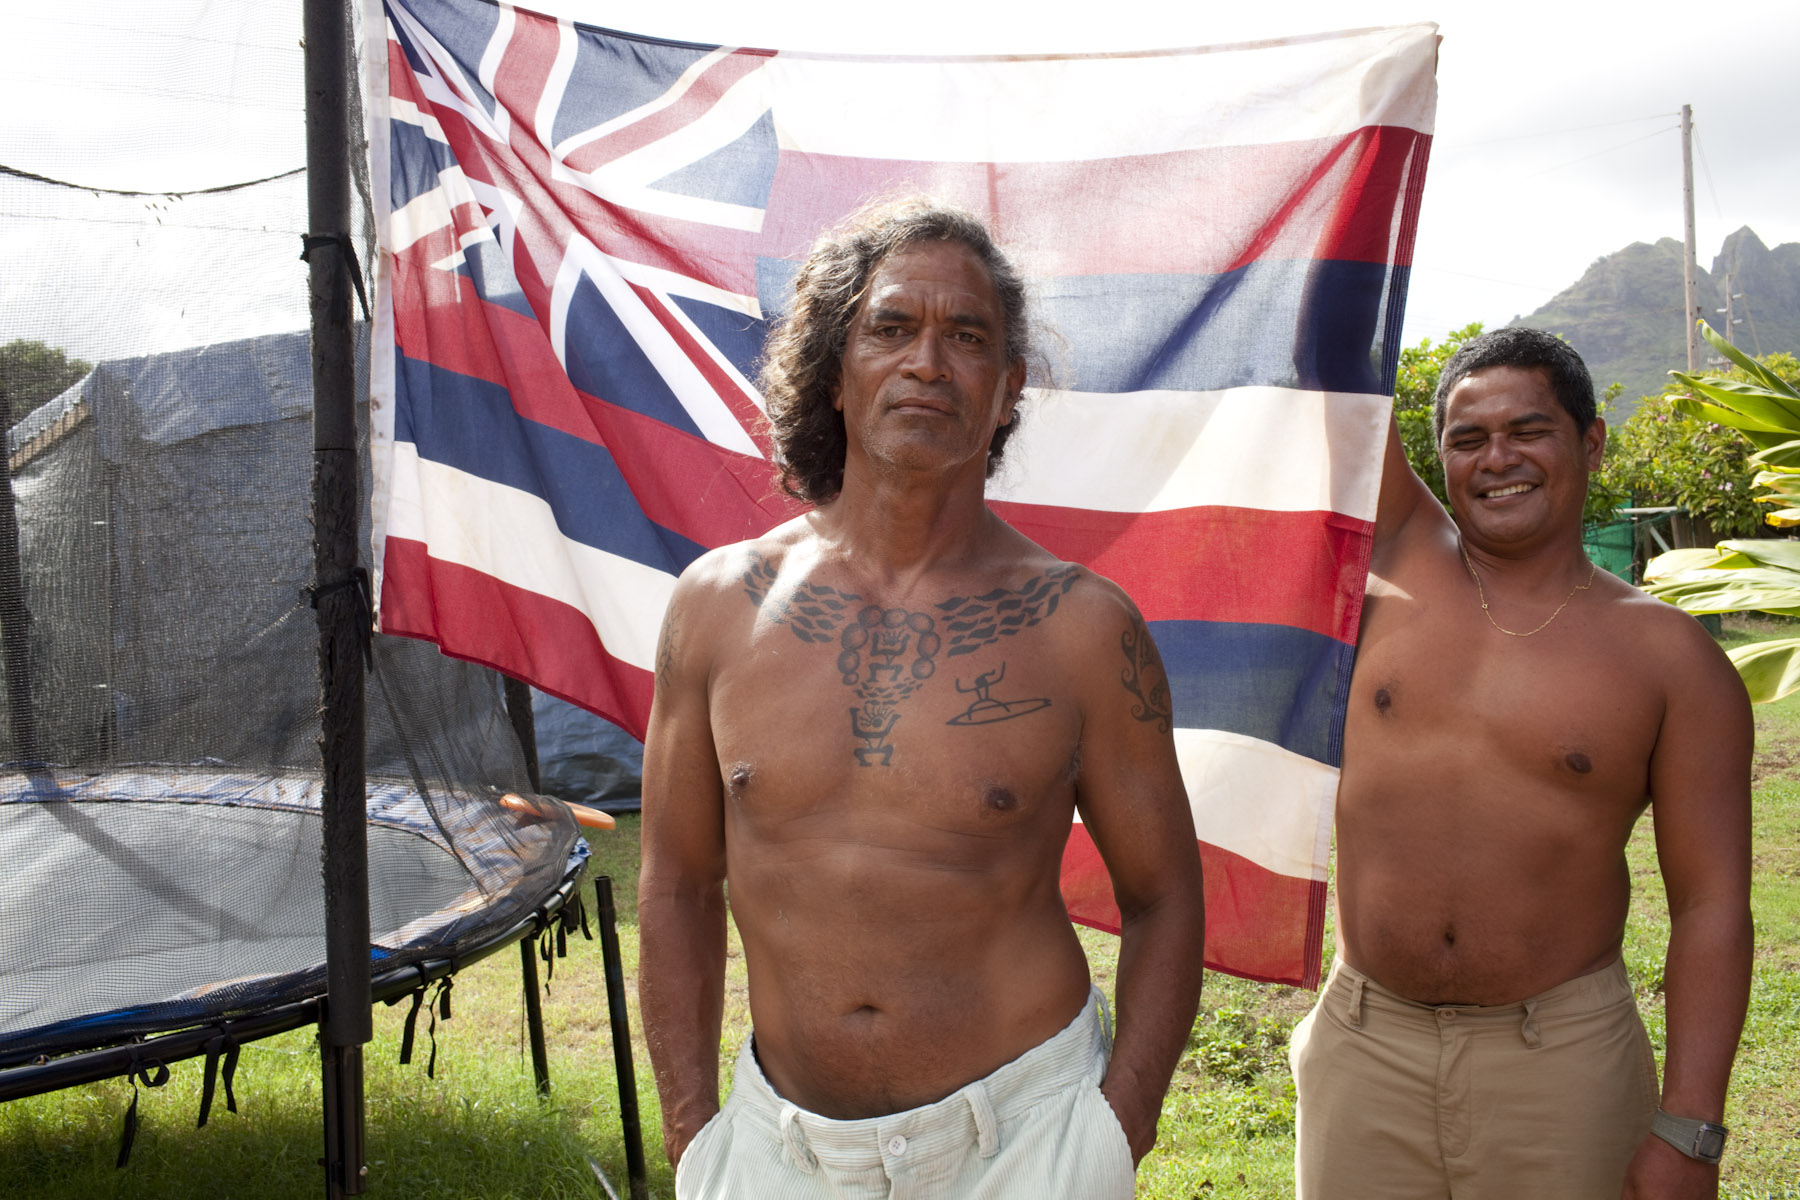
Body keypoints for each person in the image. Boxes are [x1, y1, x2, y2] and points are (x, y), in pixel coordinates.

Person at [638, 197, 1206, 1199]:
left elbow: (1164, 895)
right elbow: (677, 885)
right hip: (779, 1156)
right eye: (892, 328)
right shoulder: (719, 607)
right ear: (837, 373)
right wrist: (696, 1135)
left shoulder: (1082, 627)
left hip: (1026, 1147)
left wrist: (1115, 1132)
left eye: (968, 337)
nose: (929, 362)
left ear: (1005, 387)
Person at [1291, 327, 1754, 1199]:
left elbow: (1712, 904)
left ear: (1590, 440)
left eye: (1528, 430)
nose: (1496, 458)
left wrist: (1691, 1129)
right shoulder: (1394, 552)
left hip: (1563, 1065)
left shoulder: (1671, 661)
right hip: (1365, 1045)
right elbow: (1330, 357)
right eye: (1467, 440)